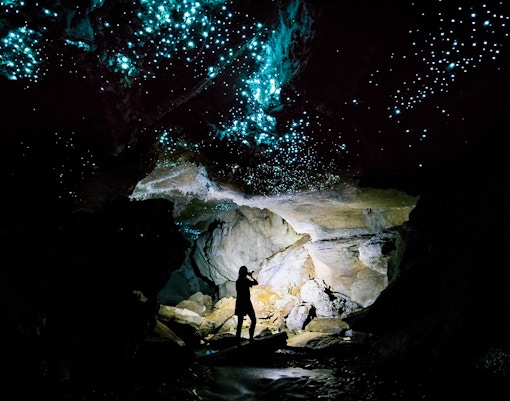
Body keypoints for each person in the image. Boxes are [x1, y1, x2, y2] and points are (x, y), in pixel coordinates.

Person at [235, 265, 258, 343]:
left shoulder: (238, 281)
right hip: (247, 303)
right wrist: (250, 276)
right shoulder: (245, 281)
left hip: (240, 303)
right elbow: (256, 283)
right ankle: (251, 337)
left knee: (240, 323)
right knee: (253, 320)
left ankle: (237, 340)